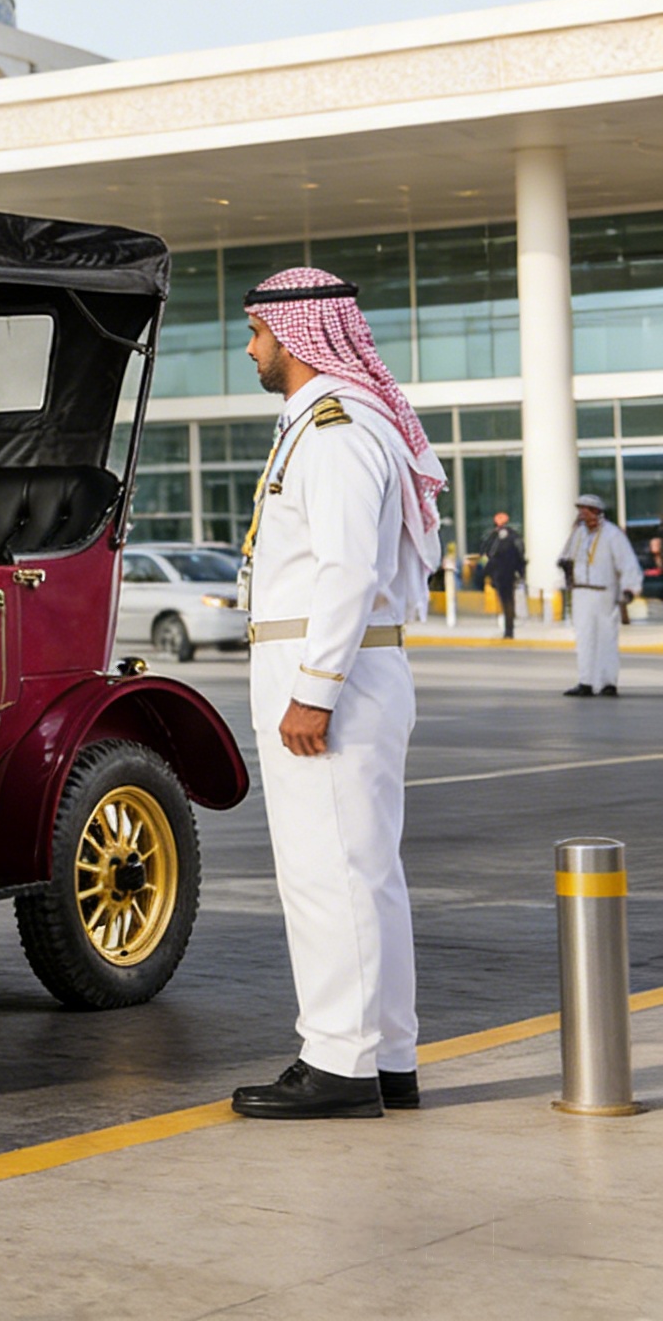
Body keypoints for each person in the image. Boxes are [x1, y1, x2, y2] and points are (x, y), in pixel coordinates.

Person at [229, 268, 444, 1122]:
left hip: (334, 676)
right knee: (360, 874)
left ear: (294, 333)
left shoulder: (336, 428)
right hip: (339, 669)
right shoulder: (327, 427)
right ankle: (386, 1058)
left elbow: (348, 572)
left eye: (256, 333)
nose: (251, 349)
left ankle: (339, 1064)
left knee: (332, 876)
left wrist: (313, 692)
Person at [559, 495, 641, 698]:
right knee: (584, 638)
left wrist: (630, 588)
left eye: (586, 509)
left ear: (596, 511)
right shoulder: (577, 534)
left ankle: (607, 683)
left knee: (606, 638)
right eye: (580, 510)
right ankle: (586, 681)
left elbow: (627, 563)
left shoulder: (612, 534)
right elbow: (568, 557)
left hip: (604, 591)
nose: (582, 513)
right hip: (581, 592)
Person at [480, 511, 526, 639]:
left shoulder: (494, 537)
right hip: (509, 573)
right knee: (508, 601)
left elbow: (485, 553)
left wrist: (487, 572)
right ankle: (508, 628)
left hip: (500, 573)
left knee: (505, 601)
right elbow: (521, 555)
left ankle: (508, 629)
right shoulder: (514, 536)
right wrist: (521, 572)